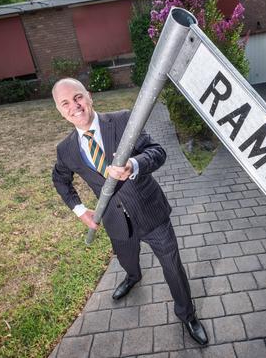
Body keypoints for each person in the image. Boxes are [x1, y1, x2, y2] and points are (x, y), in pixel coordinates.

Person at [51, 78, 208, 345]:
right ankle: (133, 277)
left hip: (151, 213)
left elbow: (157, 152)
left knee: (172, 266)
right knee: (126, 258)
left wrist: (134, 165)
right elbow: (60, 179)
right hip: (115, 221)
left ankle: (187, 314)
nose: (73, 106)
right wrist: (80, 210)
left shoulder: (123, 121)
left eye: (77, 97)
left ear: (89, 96)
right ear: (59, 110)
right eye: (65, 103)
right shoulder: (66, 150)